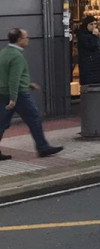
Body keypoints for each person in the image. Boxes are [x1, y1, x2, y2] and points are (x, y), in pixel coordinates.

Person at [0, 28, 63, 160]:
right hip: (19, 94)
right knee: (34, 118)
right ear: (19, 40)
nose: (28, 39)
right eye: (26, 37)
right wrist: (13, 97)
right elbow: (14, 78)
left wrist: (28, 84)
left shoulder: (4, 52)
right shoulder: (17, 56)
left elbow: (5, 75)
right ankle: (43, 147)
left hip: (3, 92)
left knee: (2, 122)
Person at [76, 16, 100, 87]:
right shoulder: (83, 36)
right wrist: (95, 36)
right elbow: (91, 46)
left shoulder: (95, 36)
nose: (94, 26)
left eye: (95, 24)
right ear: (86, 25)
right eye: (91, 24)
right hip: (91, 70)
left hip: (99, 69)